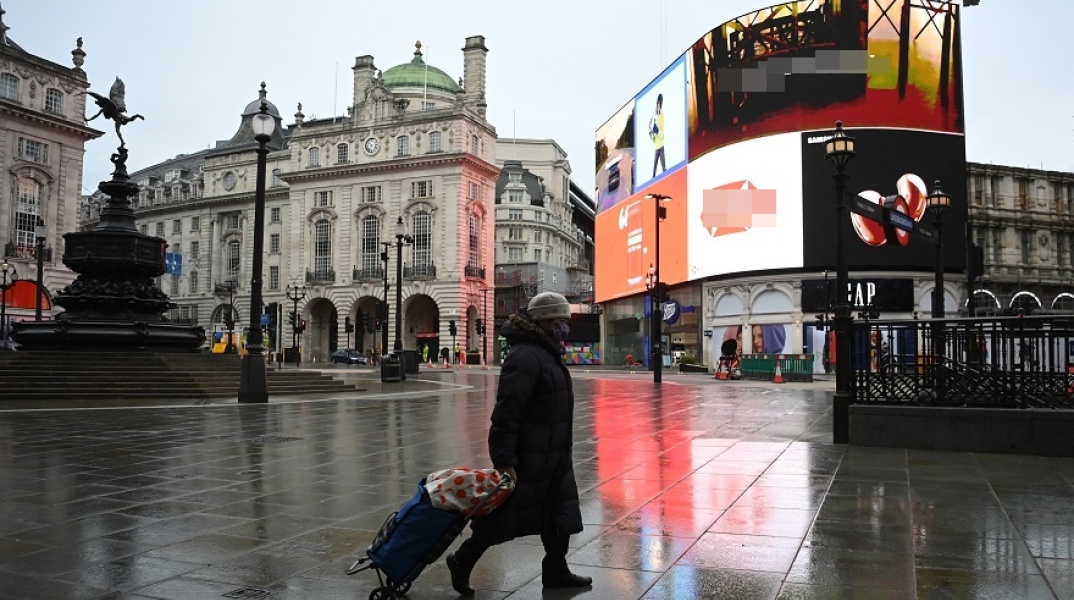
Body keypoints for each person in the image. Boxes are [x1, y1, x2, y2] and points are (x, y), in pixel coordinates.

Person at [447, 292, 590, 594]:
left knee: (559, 515)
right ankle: (462, 559)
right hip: (529, 455)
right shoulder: (525, 356)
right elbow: (507, 413)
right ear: (545, 321)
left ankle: (556, 571)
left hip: (554, 454)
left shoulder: (547, 351)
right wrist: (505, 460)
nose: (565, 327)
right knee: (501, 518)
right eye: (560, 321)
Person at [650, 93, 666, 177]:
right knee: (654, 172)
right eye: (657, 104)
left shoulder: (662, 116)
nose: (658, 106)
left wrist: (657, 131)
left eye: (660, 104)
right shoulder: (655, 118)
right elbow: (654, 140)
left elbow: (662, 135)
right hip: (656, 148)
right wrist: (651, 134)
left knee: (664, 169)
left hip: (661, 147)